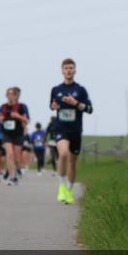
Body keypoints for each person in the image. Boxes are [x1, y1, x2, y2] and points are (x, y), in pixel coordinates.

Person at [49, 58, 94, 204]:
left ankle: (69, 189)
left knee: (72, 163)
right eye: (66, 68)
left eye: (71, 68)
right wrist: (54, 106)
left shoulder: (81, 90)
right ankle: (61, 187)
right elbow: (52, 105)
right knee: (63, 154)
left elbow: (90, 109)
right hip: (60, 128)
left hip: (75, 130)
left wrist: (76, 103)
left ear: (75, 71)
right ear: (62, 71)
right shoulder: (56, 90)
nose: (68, 70)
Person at [0, 87, 30, 185]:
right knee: (10, 153)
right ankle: (12, 177)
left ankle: (15, 172)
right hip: (6, 134)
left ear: (16, 96)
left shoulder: (21, 107)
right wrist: (0, 118)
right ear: (6, 95)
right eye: (9, 94)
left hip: (18, 134)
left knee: (16, 158)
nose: (11, 96)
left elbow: (27, 120)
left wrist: (18, 116)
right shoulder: (3, 106)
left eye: (13, 94)